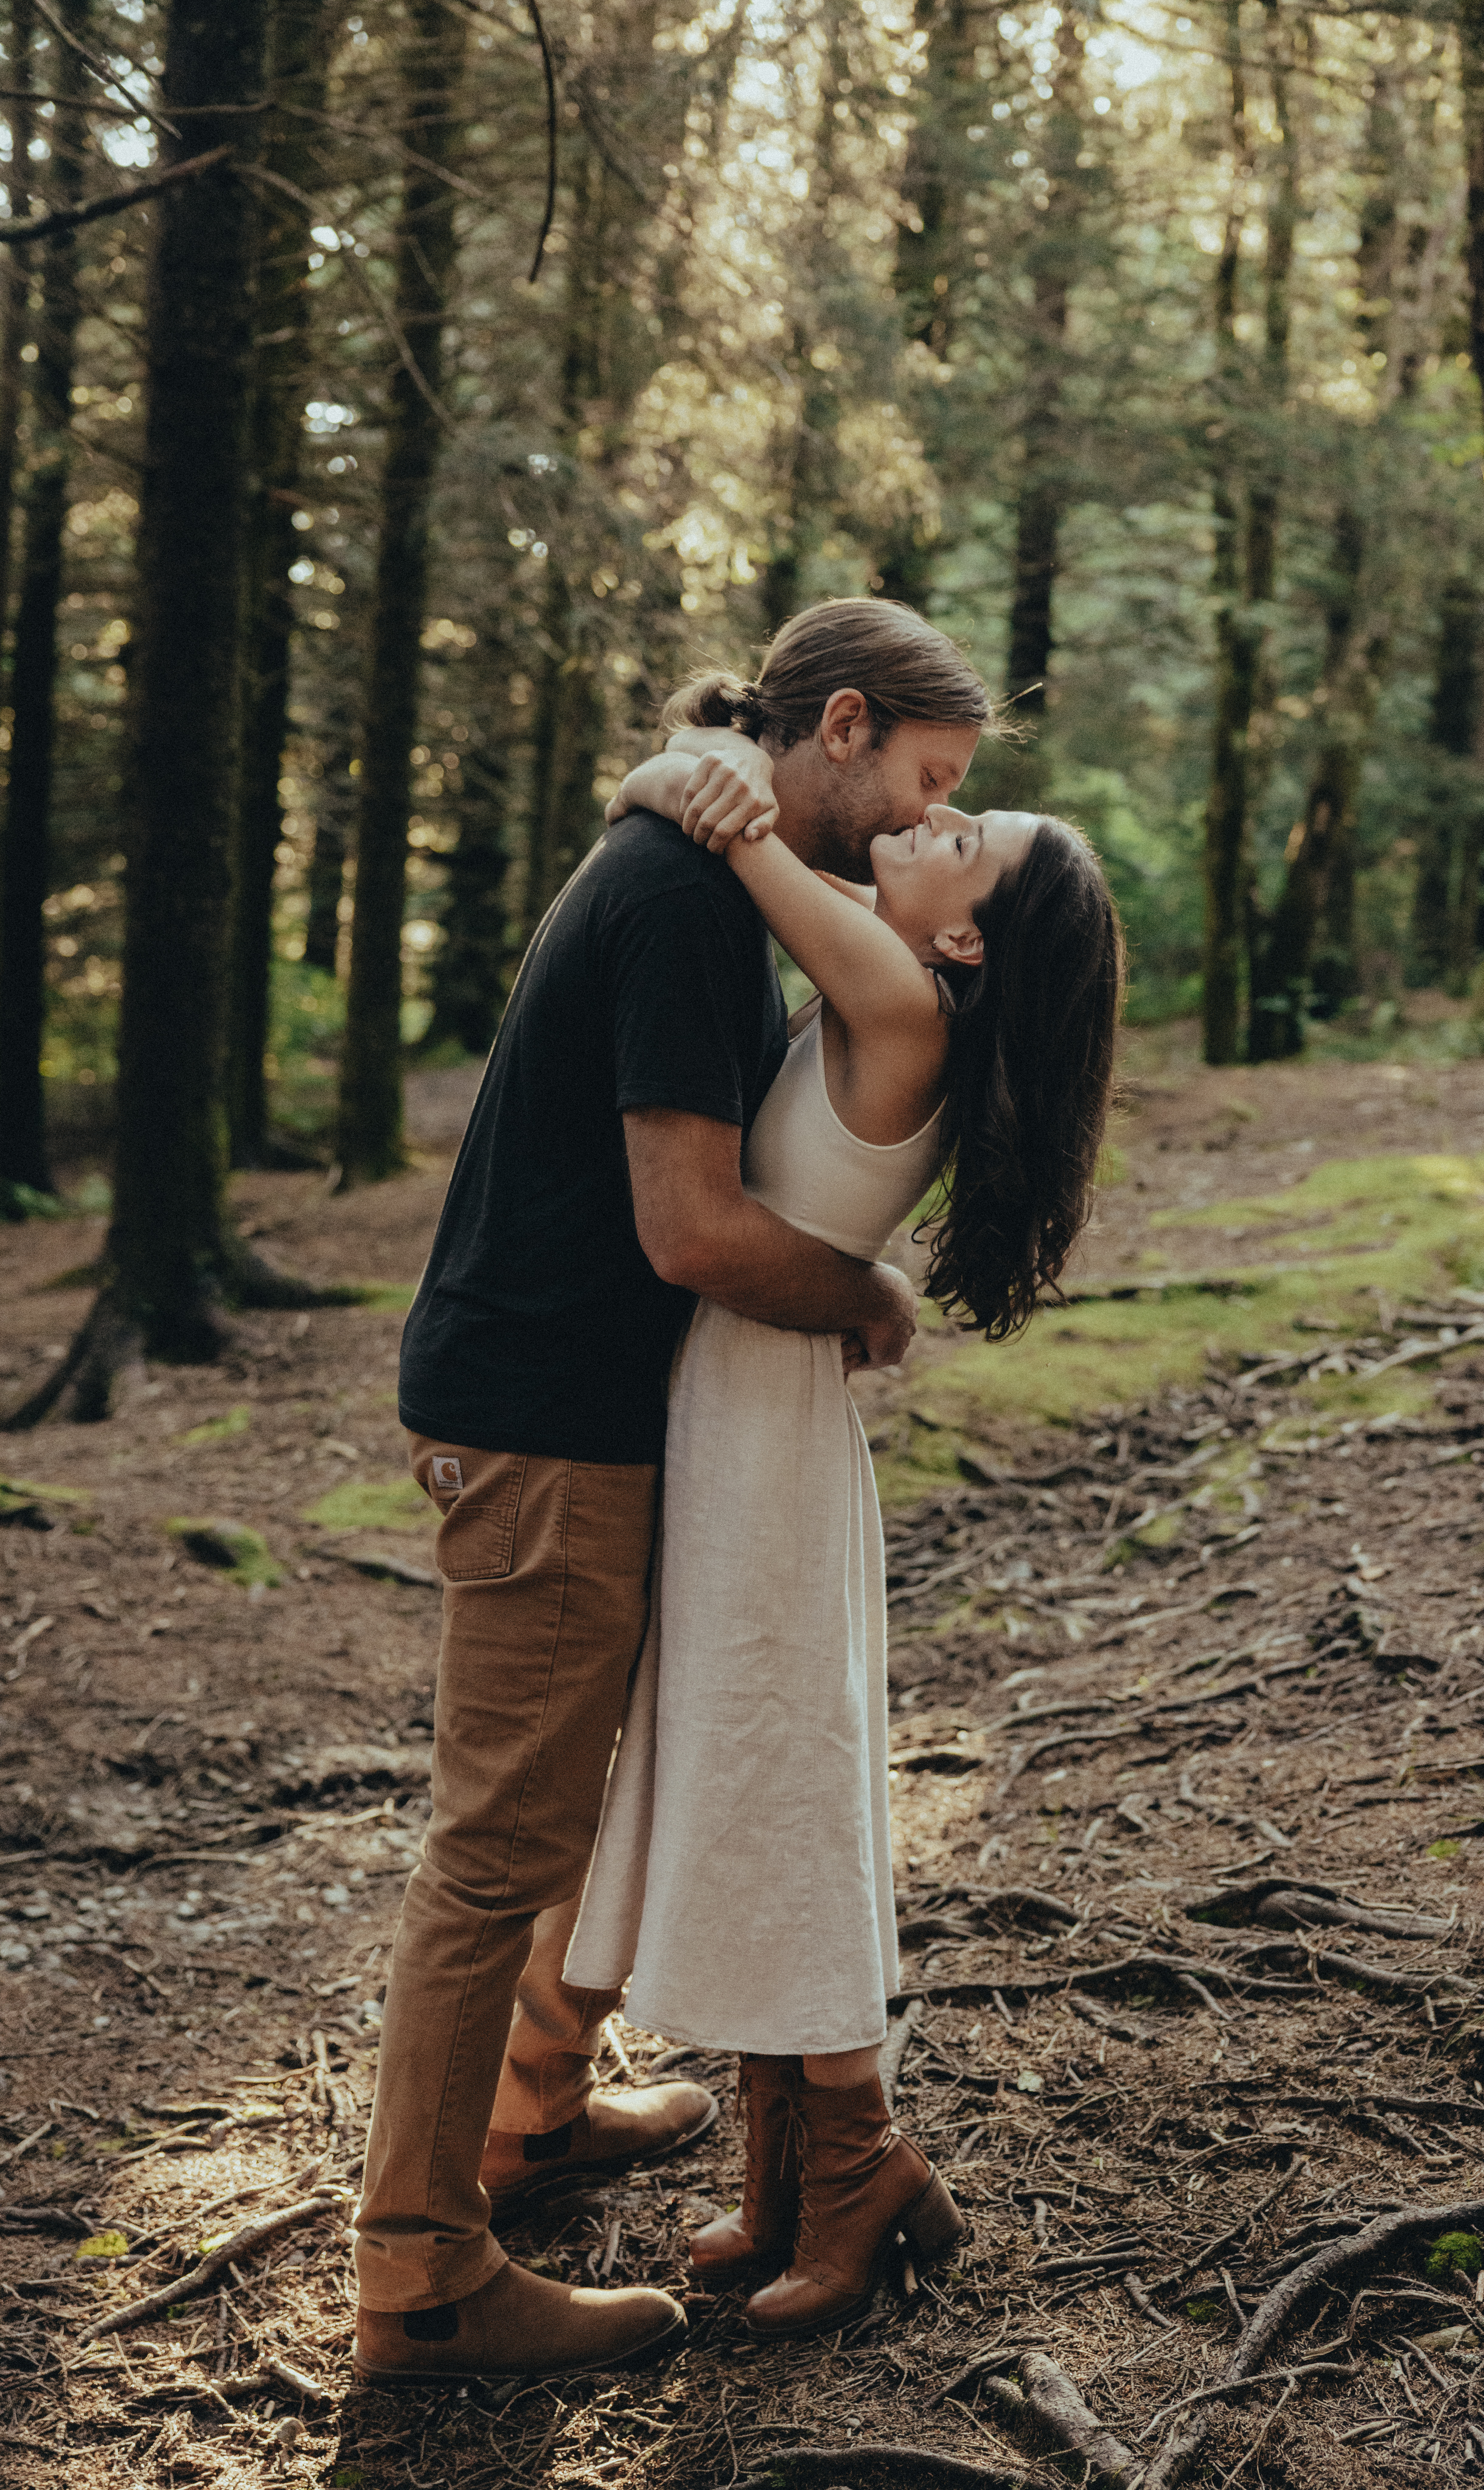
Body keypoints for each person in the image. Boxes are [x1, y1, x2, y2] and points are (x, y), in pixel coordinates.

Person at [351, 599, 995, 2388]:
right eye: (928, 780)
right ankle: (419, 2274)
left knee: (553, 1813)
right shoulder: (690, 901)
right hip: (543, 1418)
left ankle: (538, 2110)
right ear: (844, 727)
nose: (929, 814)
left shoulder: (708, 874)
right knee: (494, 1855)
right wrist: (870, 1300)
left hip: (561, 1408)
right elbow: (691, 1230)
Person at [562, 723, 1123, 2339]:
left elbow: (740, 848)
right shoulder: (881, 969)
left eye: (965, 833)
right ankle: (781, 2182)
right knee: (742, 1786)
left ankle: (861, 2164)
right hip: (739, 1426)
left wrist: (693, 772)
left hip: (767, 1449)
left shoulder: (897, 1003)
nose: (930, 816)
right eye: (943, 798)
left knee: (782, 1797)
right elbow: (776, 855)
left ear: (961, 937)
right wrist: (691, 761)